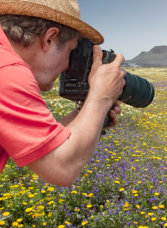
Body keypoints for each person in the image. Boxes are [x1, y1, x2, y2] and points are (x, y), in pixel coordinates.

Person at [0, 0, 126, 186]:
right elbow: (61, 168)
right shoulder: (8, 72)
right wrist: (102, 97)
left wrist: (87, 110)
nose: (68, 65)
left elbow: (42, 147)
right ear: (49, 38)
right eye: (70, 51)